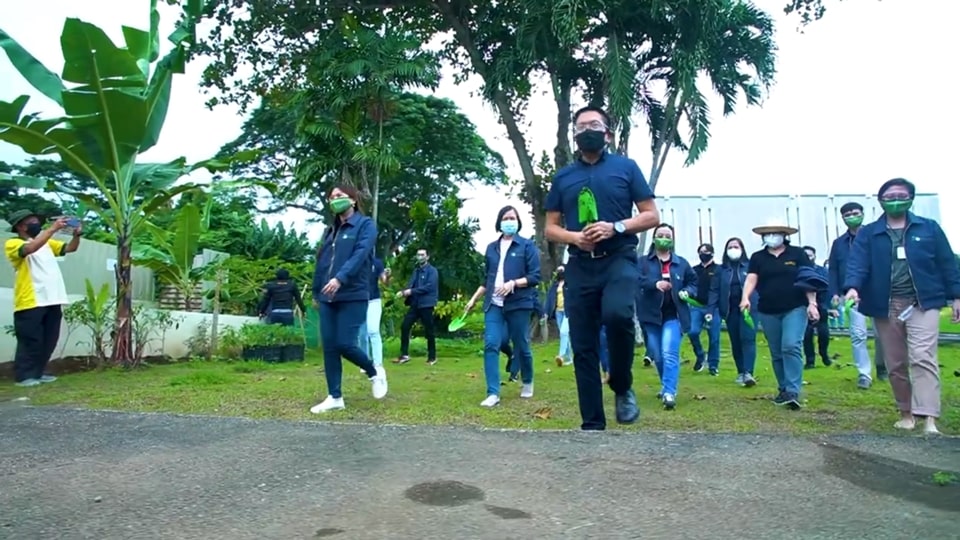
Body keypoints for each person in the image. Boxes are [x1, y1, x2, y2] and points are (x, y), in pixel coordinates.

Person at [544, 105, 659, 430]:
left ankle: (622, 386)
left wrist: (616, 227)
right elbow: (550, 228)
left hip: (619, 259)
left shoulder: (626, 168)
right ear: (575, 135)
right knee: (582, 343)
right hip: (580, 265)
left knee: (618, 315)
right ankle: (592, 424)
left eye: (594, 124)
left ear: (607, 133)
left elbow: (651, 215)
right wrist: (575, 238)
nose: (587, 130)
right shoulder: (564, 176)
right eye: (581, 126)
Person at [844, 178, 960, 435]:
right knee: (895, 363)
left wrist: (956, 296)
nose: (896, 199)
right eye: (890, 195)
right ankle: (906, 413)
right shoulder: (870, 233)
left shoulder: (928, 228)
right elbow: (858, 263)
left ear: (911, 198)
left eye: (901, 194)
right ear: (881, 200)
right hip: (886, 305)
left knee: (923, 357)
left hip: (923, 303)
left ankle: (929, 417)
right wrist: (853, 286)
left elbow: (946, 263)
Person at [310, 185, 387, 413]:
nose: (335, 200)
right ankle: (335, 397)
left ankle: (374, 372)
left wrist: (340, 279)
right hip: (327, 296)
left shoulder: (365, 225)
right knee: (330, 347)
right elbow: (322, 263)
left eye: (340, 196)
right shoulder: (330, 231)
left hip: (353, 294)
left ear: (353, 200)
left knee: (345, 343)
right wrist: (317, 292)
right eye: (332, 197)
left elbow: (360, 254)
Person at [465, 206, 541, 407]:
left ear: (518, 221)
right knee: (491, 344)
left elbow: (535, 277)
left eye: (513, 218)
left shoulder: (526, 246)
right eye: (506, 218)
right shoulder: (491, 248)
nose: (509, 221)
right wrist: (473, 300)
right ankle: (493, 393)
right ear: (499, 222)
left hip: (519, 303)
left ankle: (527, 379)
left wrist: (513, 283)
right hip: (494, 304)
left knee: (521, 344)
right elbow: (486, 279)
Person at [740, 219, 819, 410]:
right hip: (768, 309)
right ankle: (783, 388)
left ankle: (793, 390)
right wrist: (745, 297)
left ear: (785, 235)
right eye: (767, 234)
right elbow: (752, 279)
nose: (771, 236)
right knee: (777, 352)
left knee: (791, 345)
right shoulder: (758, 257)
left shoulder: (797, 254)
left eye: (775, 233)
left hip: (795, 307)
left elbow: (808, 279)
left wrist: (812, 303)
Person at [5, 210, 81, 387]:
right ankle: (24, 376)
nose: (36, 224)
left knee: (49, 339)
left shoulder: (47, 243)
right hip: (31, 300)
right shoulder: (13, 243)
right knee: (31, 339)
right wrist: (52, 229)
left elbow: (70, 248)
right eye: (31, 221)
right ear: (21, 226)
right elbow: (30, 248)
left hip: (53, 298)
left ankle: (38, 372)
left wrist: (77, 235)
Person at [636, 224, 698, 409]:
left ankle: (670, 392)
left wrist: (687, 291)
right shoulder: (643, 262)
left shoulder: (682, 263)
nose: (664, 238)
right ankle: (666, 385)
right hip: (651, 316)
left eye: (668, 235)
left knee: (669, 353)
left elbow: (693, 282)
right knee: (657, 355)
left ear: (672, 240)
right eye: (660, 235)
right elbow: (635, 279)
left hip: (674, 315)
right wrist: (654, 284)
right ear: (654, 238)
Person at [828, 201, 887, 388]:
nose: (852, 216)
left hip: (878, 293)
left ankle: (882, 365)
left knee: (882, 334)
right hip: (851, 294)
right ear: (843, 218)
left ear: (863, 213)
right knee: (858, 334)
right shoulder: (839, 244)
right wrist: (835, 293)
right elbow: (834, 270)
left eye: (855, 212)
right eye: (847, 214)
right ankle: (864, 374)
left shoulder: (875, 236)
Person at [712, 237, 759, 387]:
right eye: (730, 247)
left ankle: (748, 372)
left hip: (749, 309)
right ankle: (740, 371)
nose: (733, 249)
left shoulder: (750, 266)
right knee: (736, 341)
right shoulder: (721, 270)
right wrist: (712, 308)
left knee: (748, 338)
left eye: (736, 246)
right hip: (730, 310)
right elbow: (715, 290)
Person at [394, 248, 439, 365]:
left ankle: (432, 357)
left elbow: (429, 287)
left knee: (429, 331)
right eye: (418, 254)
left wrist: (410, 291)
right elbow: (410, 285)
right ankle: (404, 355)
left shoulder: (432, 271)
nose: (420, 257)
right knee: (405, 326)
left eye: (422, 255)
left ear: (427, 257)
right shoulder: (416, 271)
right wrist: (404, 292)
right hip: (415, 304)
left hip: (427, 304)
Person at [688, 243, 721, 375]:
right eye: (701, 251)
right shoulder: (694, 270)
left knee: (714, 337)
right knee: (692, 332)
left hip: (714, 308)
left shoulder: (719, 269)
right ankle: (700, 355)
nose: (703, 254)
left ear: (712, 253)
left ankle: (713, 365)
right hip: (697, 306)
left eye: (706, 251)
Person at [801, 246, 833, 369]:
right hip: (803, 305)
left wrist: (829, 306)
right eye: (806, 255)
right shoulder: (798, 270)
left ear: (814, 256)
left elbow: (828, 288)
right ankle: (810, 360)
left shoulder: (822, 271)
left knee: (823, 333)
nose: (808, 258)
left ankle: (824, 354)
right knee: (807, 334)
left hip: (821, 304)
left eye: (810, 255)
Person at [356, 257, 389, 368]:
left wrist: (386, 276)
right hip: (359, 300)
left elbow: (384, 281)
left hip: (374, 300)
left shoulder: (377, 262)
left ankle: (378, 363)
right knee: (362, 334)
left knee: (373, 331)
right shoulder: (355, 261)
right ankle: (365, 363)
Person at [545, 266, 572, 367]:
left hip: (567, 311)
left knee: (563, 332)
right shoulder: (555, 285)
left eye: (562, 271)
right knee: (564, 335)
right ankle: (569, 358)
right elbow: (549, 298)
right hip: (558, 311)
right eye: (559, 271)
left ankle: (560, 356)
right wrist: (546, 312)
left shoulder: (569, 283)